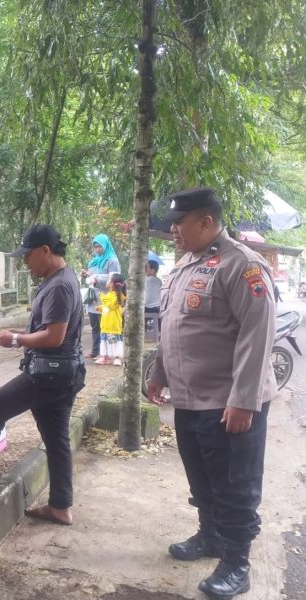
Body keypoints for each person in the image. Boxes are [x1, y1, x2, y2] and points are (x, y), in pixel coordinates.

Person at [147, 187, 276, 600]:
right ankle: (210, 536)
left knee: (235, 485)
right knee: (201, 477)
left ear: (206, 221)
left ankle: (237, 564)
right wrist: (158, 373)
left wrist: (243, 400)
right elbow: (173, 325)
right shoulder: (186, 264)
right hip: (189, 398)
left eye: (179, 223)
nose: (173, 231)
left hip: (228, 402)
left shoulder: (243, 265)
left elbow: (258, 335)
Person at [0, 224, 85, 526]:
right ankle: (60, 506)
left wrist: (16, 340)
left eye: (28, 255)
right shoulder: (61, 278)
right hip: (63, 374)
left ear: (46, 251)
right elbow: (49, 330)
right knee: (56, 438)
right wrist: (19, 333)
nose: (25, 262)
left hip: (48, 375)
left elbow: (54, 337)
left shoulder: (59, 286)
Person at [81, 234, 121, 359]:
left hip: (107, 299)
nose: (97, 249)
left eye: (99, 246)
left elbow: (115, 278)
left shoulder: (112, 261)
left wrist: (96, 278)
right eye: (95, 247)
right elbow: (90, 277)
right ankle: (95, 351)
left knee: (108, 327)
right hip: (93, 298)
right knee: (95, 326)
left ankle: (110, 353)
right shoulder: (93, 261)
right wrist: (86, 275)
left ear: (106, 246)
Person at [95, 273, 126, 366]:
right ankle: (105, 357)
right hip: (106, 324)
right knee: (104, 341)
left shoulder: (118, 295)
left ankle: (117, 357)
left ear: (113, 283)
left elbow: (111, 305)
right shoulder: (109, 293)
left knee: (113, 341)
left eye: (109, 279)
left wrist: (102, 297)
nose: (107, 281)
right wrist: (100, 308)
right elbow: (107, 306)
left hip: (113, 324)